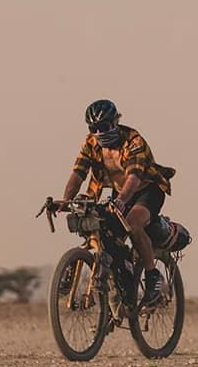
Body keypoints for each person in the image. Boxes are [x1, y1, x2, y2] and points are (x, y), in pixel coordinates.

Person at [61, 99, 172, 306]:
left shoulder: (134, 141)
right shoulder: (90, 143)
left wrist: (121, 200)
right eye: (94, 128)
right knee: (105, 234)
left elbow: (134, 176)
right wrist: (65, 200)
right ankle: (120, 282)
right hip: (118, 194)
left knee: (132, 224)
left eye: (104, 127)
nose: (100, 133)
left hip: (146, 190)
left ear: (115, 122)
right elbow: (78, 174)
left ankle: (152, 276)